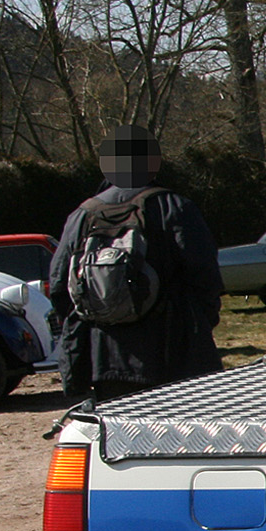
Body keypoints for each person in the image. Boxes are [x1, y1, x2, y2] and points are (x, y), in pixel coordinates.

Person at [47, 125, 223, 401]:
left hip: (103, 357)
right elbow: (206, 277)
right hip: (171, 353)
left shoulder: (82, 216)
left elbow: (59, 287)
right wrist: (198, 326)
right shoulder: (174, 208)